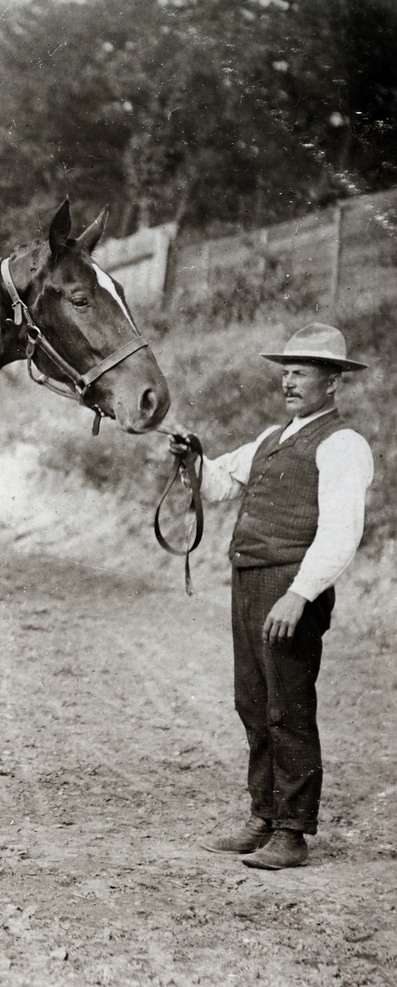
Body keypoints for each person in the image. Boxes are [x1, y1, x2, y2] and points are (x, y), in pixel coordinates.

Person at [170, 323, 372, 871]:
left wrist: (300, 595)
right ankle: (262, 817)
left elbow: (340, 532)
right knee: (252, 702)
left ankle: (293, 831)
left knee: (289, 707)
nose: (289, 381)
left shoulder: (343, 445)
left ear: (332, 383)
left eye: (302, 372)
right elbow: (218, 483)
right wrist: (192, 460)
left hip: (292, 588)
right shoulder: (270, 438)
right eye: (286, 371)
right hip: (249, 584)